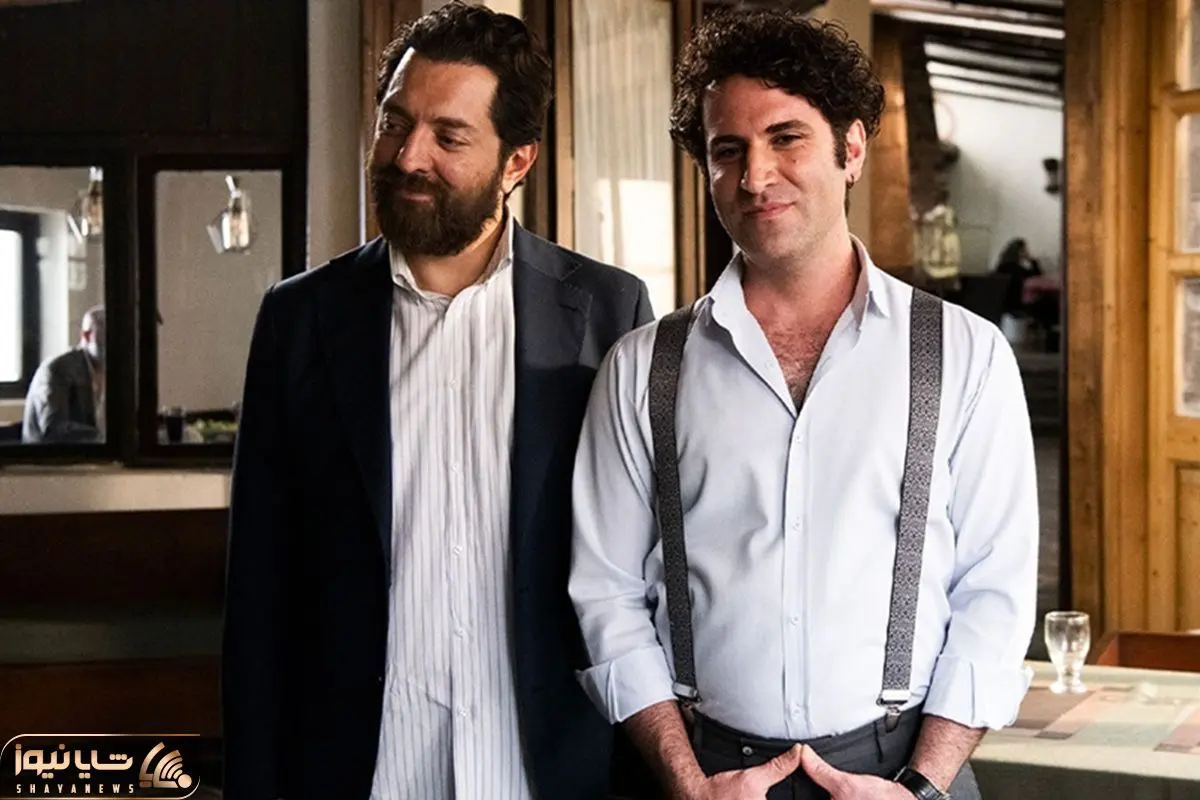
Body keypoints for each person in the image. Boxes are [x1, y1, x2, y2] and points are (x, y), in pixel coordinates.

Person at [570, 9, 1037, 800]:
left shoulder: (965, 354)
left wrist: (922, 786)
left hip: (905, 773)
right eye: (728, 150)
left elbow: (993, 595)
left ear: (851, 149)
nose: (755, 177)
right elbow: (605, 594)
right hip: (704, 774)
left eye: (785, 138)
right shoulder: (642, 367)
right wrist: (687, 784)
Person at [221, 5, 653, 799]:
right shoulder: (299, 319)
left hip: (546, 766)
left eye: (449, 137)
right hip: (360, 768)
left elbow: (640, 572)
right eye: (395, 123)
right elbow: (259, 583)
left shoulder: (607, 311)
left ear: (517, 160)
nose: (407, 155)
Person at [22, 305, 105, 443]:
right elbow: (54, 428)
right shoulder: (57, 369)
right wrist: (105, 440)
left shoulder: (111, 371)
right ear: (87, 336)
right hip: (52, 456)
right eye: (106, 337)